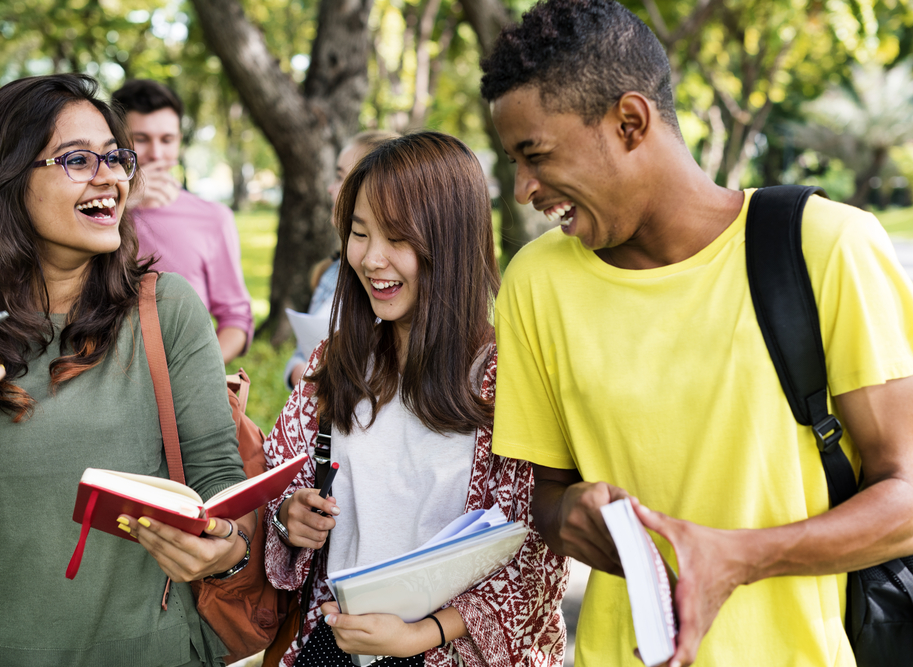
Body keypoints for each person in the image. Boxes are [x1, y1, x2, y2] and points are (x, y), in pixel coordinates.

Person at [480, 1, 913, 666]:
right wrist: (570, 512)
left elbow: (904, 495)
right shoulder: (537, 282)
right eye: (513, 161)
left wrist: (738, 559)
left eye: (534, 154)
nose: (521, 189)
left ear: (630, 122)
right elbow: (547, 493)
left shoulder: (827, 245)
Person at [0, 73, 257, 667]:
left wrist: (228, 548)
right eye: (77, 159)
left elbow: (220, 481)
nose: (112, 176)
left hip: (150, 650)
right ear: (6, 178)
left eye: (115, 157)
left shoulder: (167, 308)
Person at [262, 131, 569, 667]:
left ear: (451, 244)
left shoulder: (508, 383)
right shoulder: (336, 362)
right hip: (335, 648)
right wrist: (291, 517)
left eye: (398, 239)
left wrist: (420, 634)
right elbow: (275, 476)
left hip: (445, 653)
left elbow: (534, 559)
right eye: (359, 234)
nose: (372, 259)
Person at [112, 79, 253, 364]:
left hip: (182, 381)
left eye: (167, 140)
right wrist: (123, 203)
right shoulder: (98, 214)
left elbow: (236, 318)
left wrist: (198, 371)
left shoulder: (213, 217)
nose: (156, 153)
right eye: (141, 138)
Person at [284, 130, 399, 389]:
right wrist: (301, 373)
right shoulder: (330, 274)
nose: (330, 188)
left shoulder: (394, 279)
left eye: (340, 177)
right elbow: (301, 355)